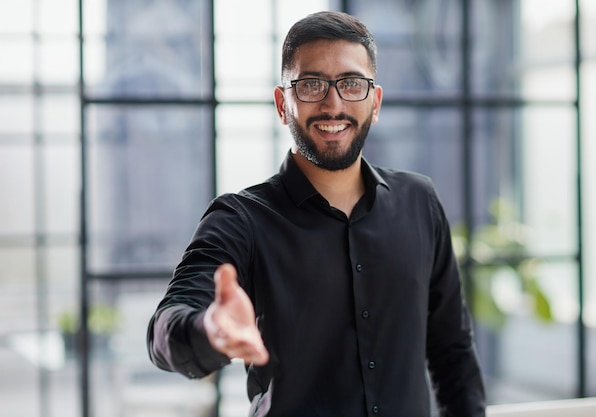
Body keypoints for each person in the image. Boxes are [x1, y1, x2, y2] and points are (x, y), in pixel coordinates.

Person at [147, 10, 486, 417]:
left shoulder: (419, 200)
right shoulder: (241, 219)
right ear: (282, 102)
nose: (333, 104)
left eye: (351, 84)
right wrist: (211, 330)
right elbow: (165, 329)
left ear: (374, 102)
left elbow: (453, 352)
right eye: (311, 85)